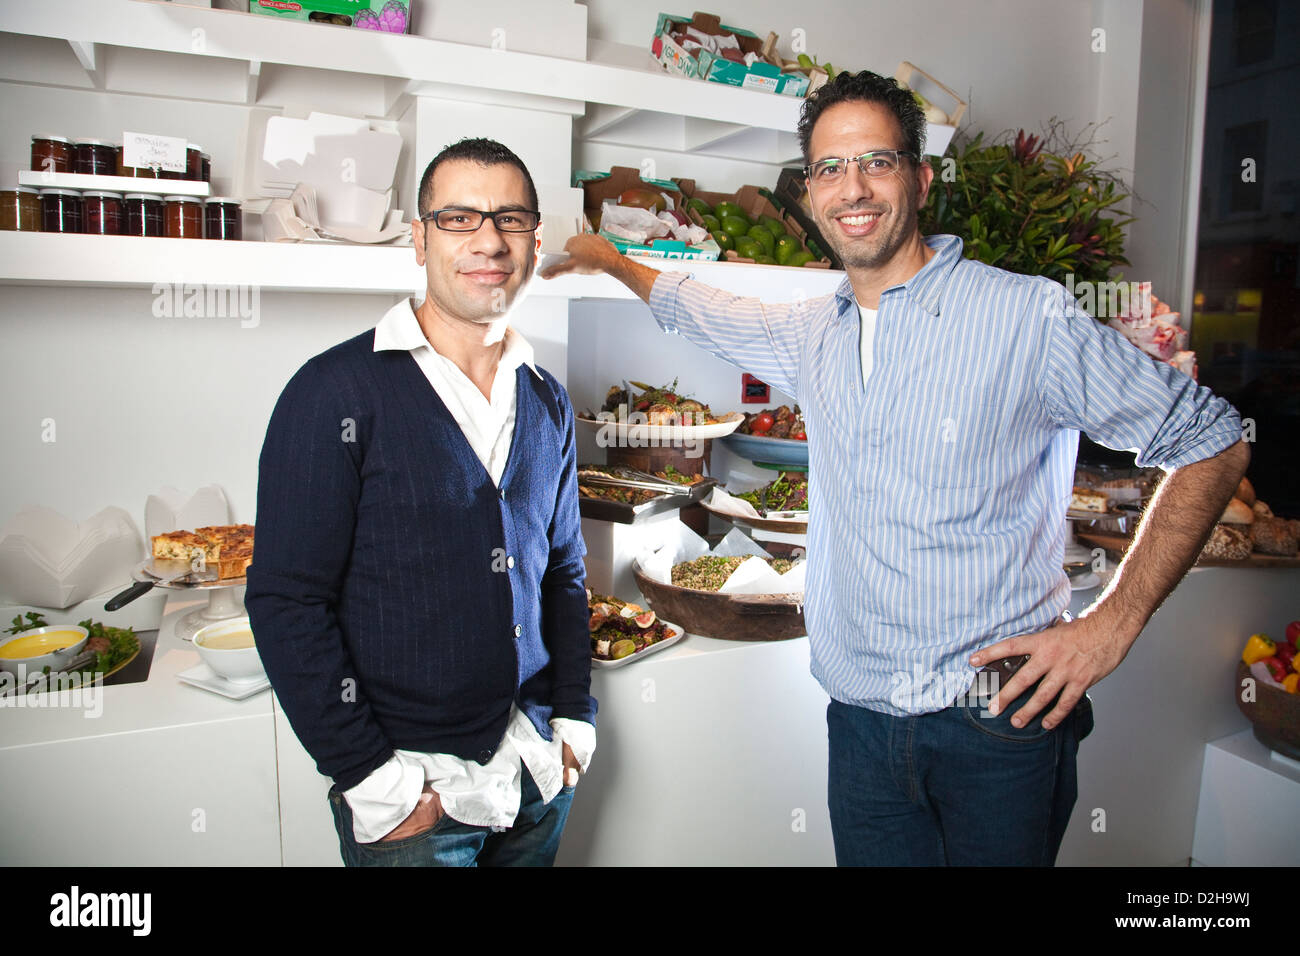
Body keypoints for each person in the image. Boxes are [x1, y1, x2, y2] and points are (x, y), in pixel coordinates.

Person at [540, 72, 1249, 866]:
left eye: (875, 161)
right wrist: (608, 259)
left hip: (996, 721)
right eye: (829, 169)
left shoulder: (1026, 317)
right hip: (862, 725)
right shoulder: (816, 332)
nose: (853, 188)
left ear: (919, 176)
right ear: (809, 195)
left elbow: (1214, 442)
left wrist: (1108, 627)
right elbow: (701, 307)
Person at [246, 137, 595, 867]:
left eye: (509, 218)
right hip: (415, 797)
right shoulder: (334, 393)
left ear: (535, 241)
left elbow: (564, 572)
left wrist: (573, 722)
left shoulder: (548, 400)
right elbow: (285, 600)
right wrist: (374, 781)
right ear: (419, 238)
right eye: (458, 218)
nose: (488, 240)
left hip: (534, 773)